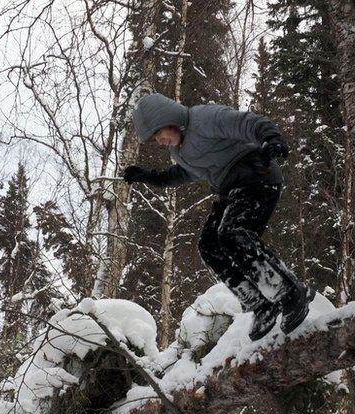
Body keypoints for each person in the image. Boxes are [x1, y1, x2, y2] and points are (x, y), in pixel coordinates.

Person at [122, 92, 315, 341]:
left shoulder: (203, 118)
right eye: (156, 140)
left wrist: (270, 138)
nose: (161, 142)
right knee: (209, 245)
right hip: (231, 191)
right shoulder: (179, 153)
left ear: (168, 119)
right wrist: (150, 177)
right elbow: (182, 174)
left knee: (233, 233)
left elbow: (247, 122)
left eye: (160, 135)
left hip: (257, 175)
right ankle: (260, 303)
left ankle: (290, 293)